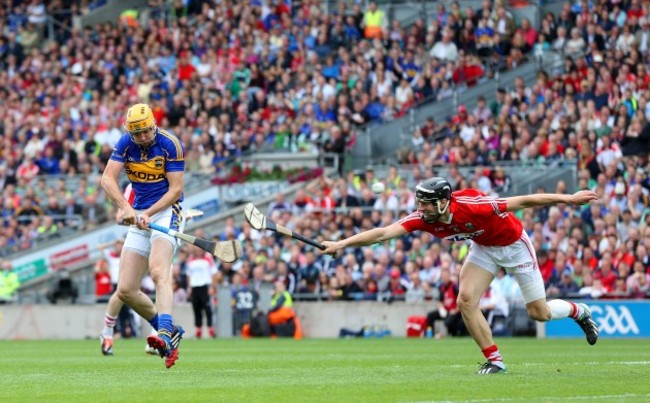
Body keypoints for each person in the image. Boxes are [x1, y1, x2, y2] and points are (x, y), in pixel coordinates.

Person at [322, 177, 600, 374]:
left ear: (444, 201)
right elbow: (382, 233)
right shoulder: (423, 218)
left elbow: (524, 200)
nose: (422, 209)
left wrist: (569, 199)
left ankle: (580, 311)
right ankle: (495, 361)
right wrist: (341, 244)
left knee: (540, 313)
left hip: (514, 246)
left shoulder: (472, 204)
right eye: (420, 203)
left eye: (428, 204)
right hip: (484, 248)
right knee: (465, 300)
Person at [100, 103, 186, 369]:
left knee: (159, 271)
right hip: (140, 214)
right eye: (136, 134)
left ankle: (163, 332)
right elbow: (107, 179)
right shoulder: (126, 144)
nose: (141, 138)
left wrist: (148, 212)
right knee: (125, 289)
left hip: (166, 213)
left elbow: (175, 189)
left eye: (145, 132)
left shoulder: (170, 144)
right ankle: (168, 329)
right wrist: (126, 208)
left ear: (153, 126)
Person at [185, 242, 217, 339]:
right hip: (195, 286)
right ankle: (198, 329)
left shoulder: (208, 258)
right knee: (196, 308)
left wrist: (212, 287)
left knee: (207, 309)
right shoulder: (191, 259)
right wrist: (189, 287)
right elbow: (189, 275)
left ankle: (210, 328)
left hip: (205, 286)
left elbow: (214, 273)